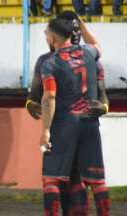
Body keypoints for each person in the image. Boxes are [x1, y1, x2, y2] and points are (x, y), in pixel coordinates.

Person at [40, 18, 110, 215]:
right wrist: (81, 21)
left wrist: (45, 130)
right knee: (97, 181)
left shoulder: (50, 64)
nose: (45, 36)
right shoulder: (89, 53)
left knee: (51, 178)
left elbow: (49, 98)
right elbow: (96, 43)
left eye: (46, 34)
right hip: (89, 124)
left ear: (53, 38)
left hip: (64, 125)